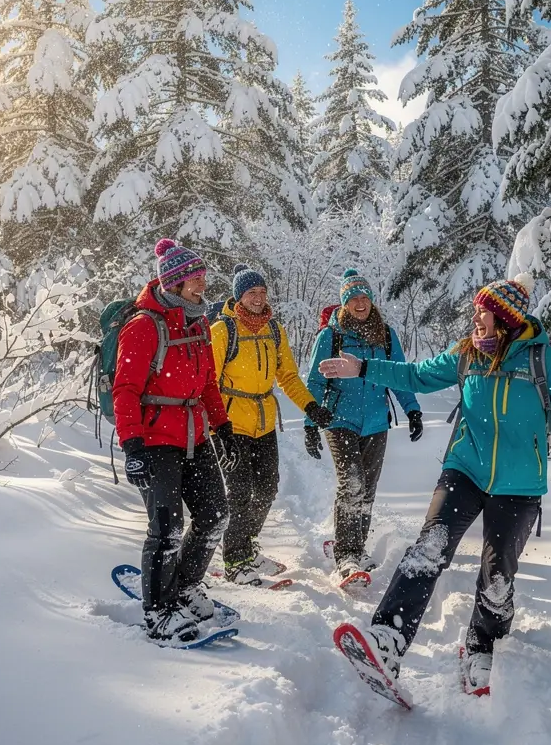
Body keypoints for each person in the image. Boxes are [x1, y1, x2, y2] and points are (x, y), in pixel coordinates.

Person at [320, 277, 551, 694]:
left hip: (519, 483)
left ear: (505, 319)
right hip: (465, 469)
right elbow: (416, 375)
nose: (475, 319)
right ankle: (387, 639)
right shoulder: (467, 354)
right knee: (429, 547)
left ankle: (481, 644)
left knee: (497, 577)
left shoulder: (543, 360)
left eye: (482, 312)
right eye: (475, 311)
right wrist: (364, 367)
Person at [113, 238, 240, 645]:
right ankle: (158, 611)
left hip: (194, 434)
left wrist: (222, 427)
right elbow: (125, 390)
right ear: (174, 283)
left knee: (215, 514)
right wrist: (132, 447)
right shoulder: (143, 326)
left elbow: (207, 383)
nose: (202, 285)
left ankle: (184, 586)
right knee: (167, 528)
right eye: (194, 280)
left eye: (203, 278)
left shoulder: (199, 322)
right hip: (154, 440)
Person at [211, 263, 334, 584]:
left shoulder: (274, 330)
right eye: (251, 292)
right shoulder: (224, 330)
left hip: (264, 421)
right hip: (231, 423)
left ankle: (246, 545)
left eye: (262, 292)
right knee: (238, 491)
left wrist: (311, 407)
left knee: (266, 488)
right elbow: (208, 383)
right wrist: (215, 426)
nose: (258, 297)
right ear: (239, 295)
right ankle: (235, 559)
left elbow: (288, 376)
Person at [305, 268, 424, 582]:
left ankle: (357, 546)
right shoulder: (331, 336)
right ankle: (346, 554)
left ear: (371, 300)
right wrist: (309, 423)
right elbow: (315, 381)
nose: (360, 303)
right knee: (353, 483)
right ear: (344, 303)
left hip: (375, 421)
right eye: (353, 298)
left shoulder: (385, 334)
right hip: (339, 419)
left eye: (364, 297)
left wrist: (412, 409)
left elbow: (398, 375)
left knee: (367, 490)